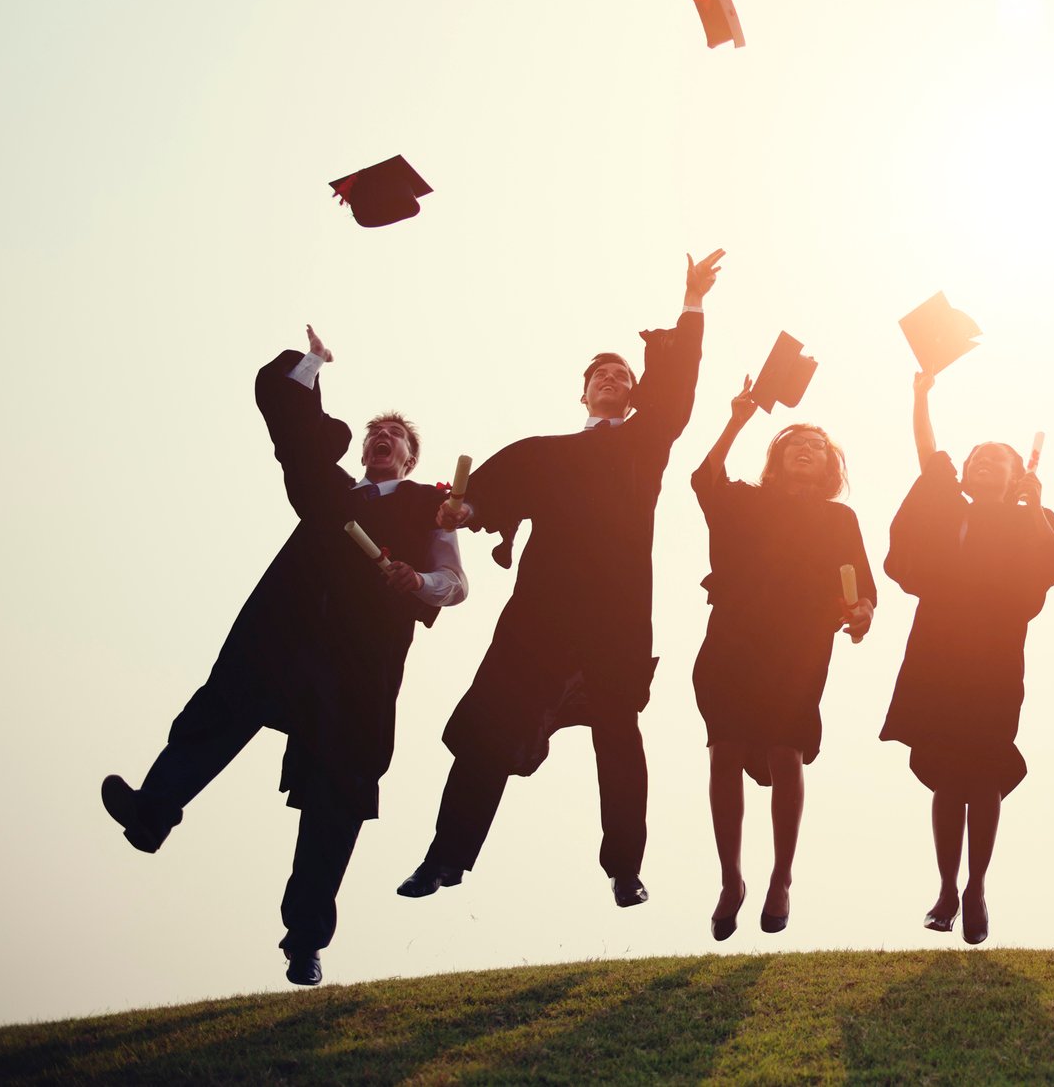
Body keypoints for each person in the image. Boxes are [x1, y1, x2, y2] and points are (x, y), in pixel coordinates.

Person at [101, 327, 466, 986]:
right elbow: (292, 432)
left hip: (358, 669)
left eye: (398, 437)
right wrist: (314, 363)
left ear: (410, 459)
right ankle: (152, 813)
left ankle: (305, 941)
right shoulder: (330, 497)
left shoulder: (426, 506)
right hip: (285, 641)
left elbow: (455, 583)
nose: (383, 439)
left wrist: (418, 583)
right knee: (217, 713)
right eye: (375, 434)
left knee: (337, 796)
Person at [396, 250, 722, 909]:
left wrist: (691, 304)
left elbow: (678, 387)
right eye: (600, 373)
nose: (612, 378)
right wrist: (469, 507)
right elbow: (488, 494)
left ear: (635, 395)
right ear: (583, 391)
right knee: (489, 728)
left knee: (619, 738)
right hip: (541, 615)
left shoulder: (643, 445)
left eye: (623, 373)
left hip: (616, 617)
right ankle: (446, 856)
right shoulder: (546, 454)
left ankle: (624, 867)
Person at [879, 371, 1054, 945]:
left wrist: (1035, 507)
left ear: (1017, 476)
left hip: (994, 652)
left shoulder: (1025, 516)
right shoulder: (947, 508)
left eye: (998, 459)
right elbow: (927, 455)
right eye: (977, 457)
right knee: (945, 772)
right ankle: (944, 887)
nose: (983, 462)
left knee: (984, 770)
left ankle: (977, 887)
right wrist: (919, 396)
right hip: (938, 646)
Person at [691, 378, 875, 939]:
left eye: (816, 446)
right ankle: (730, 879)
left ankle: (782, 878)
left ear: (828, 467)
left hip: (799, 644)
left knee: (785, 748)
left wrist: (861, 611)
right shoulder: (745, 500)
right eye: (794, 441)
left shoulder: (839, 519)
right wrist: (737, 418)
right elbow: (704, 479)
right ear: (776, 457)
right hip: (732, 638)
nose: (805, 447)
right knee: (725, 750)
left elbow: (863, 588)